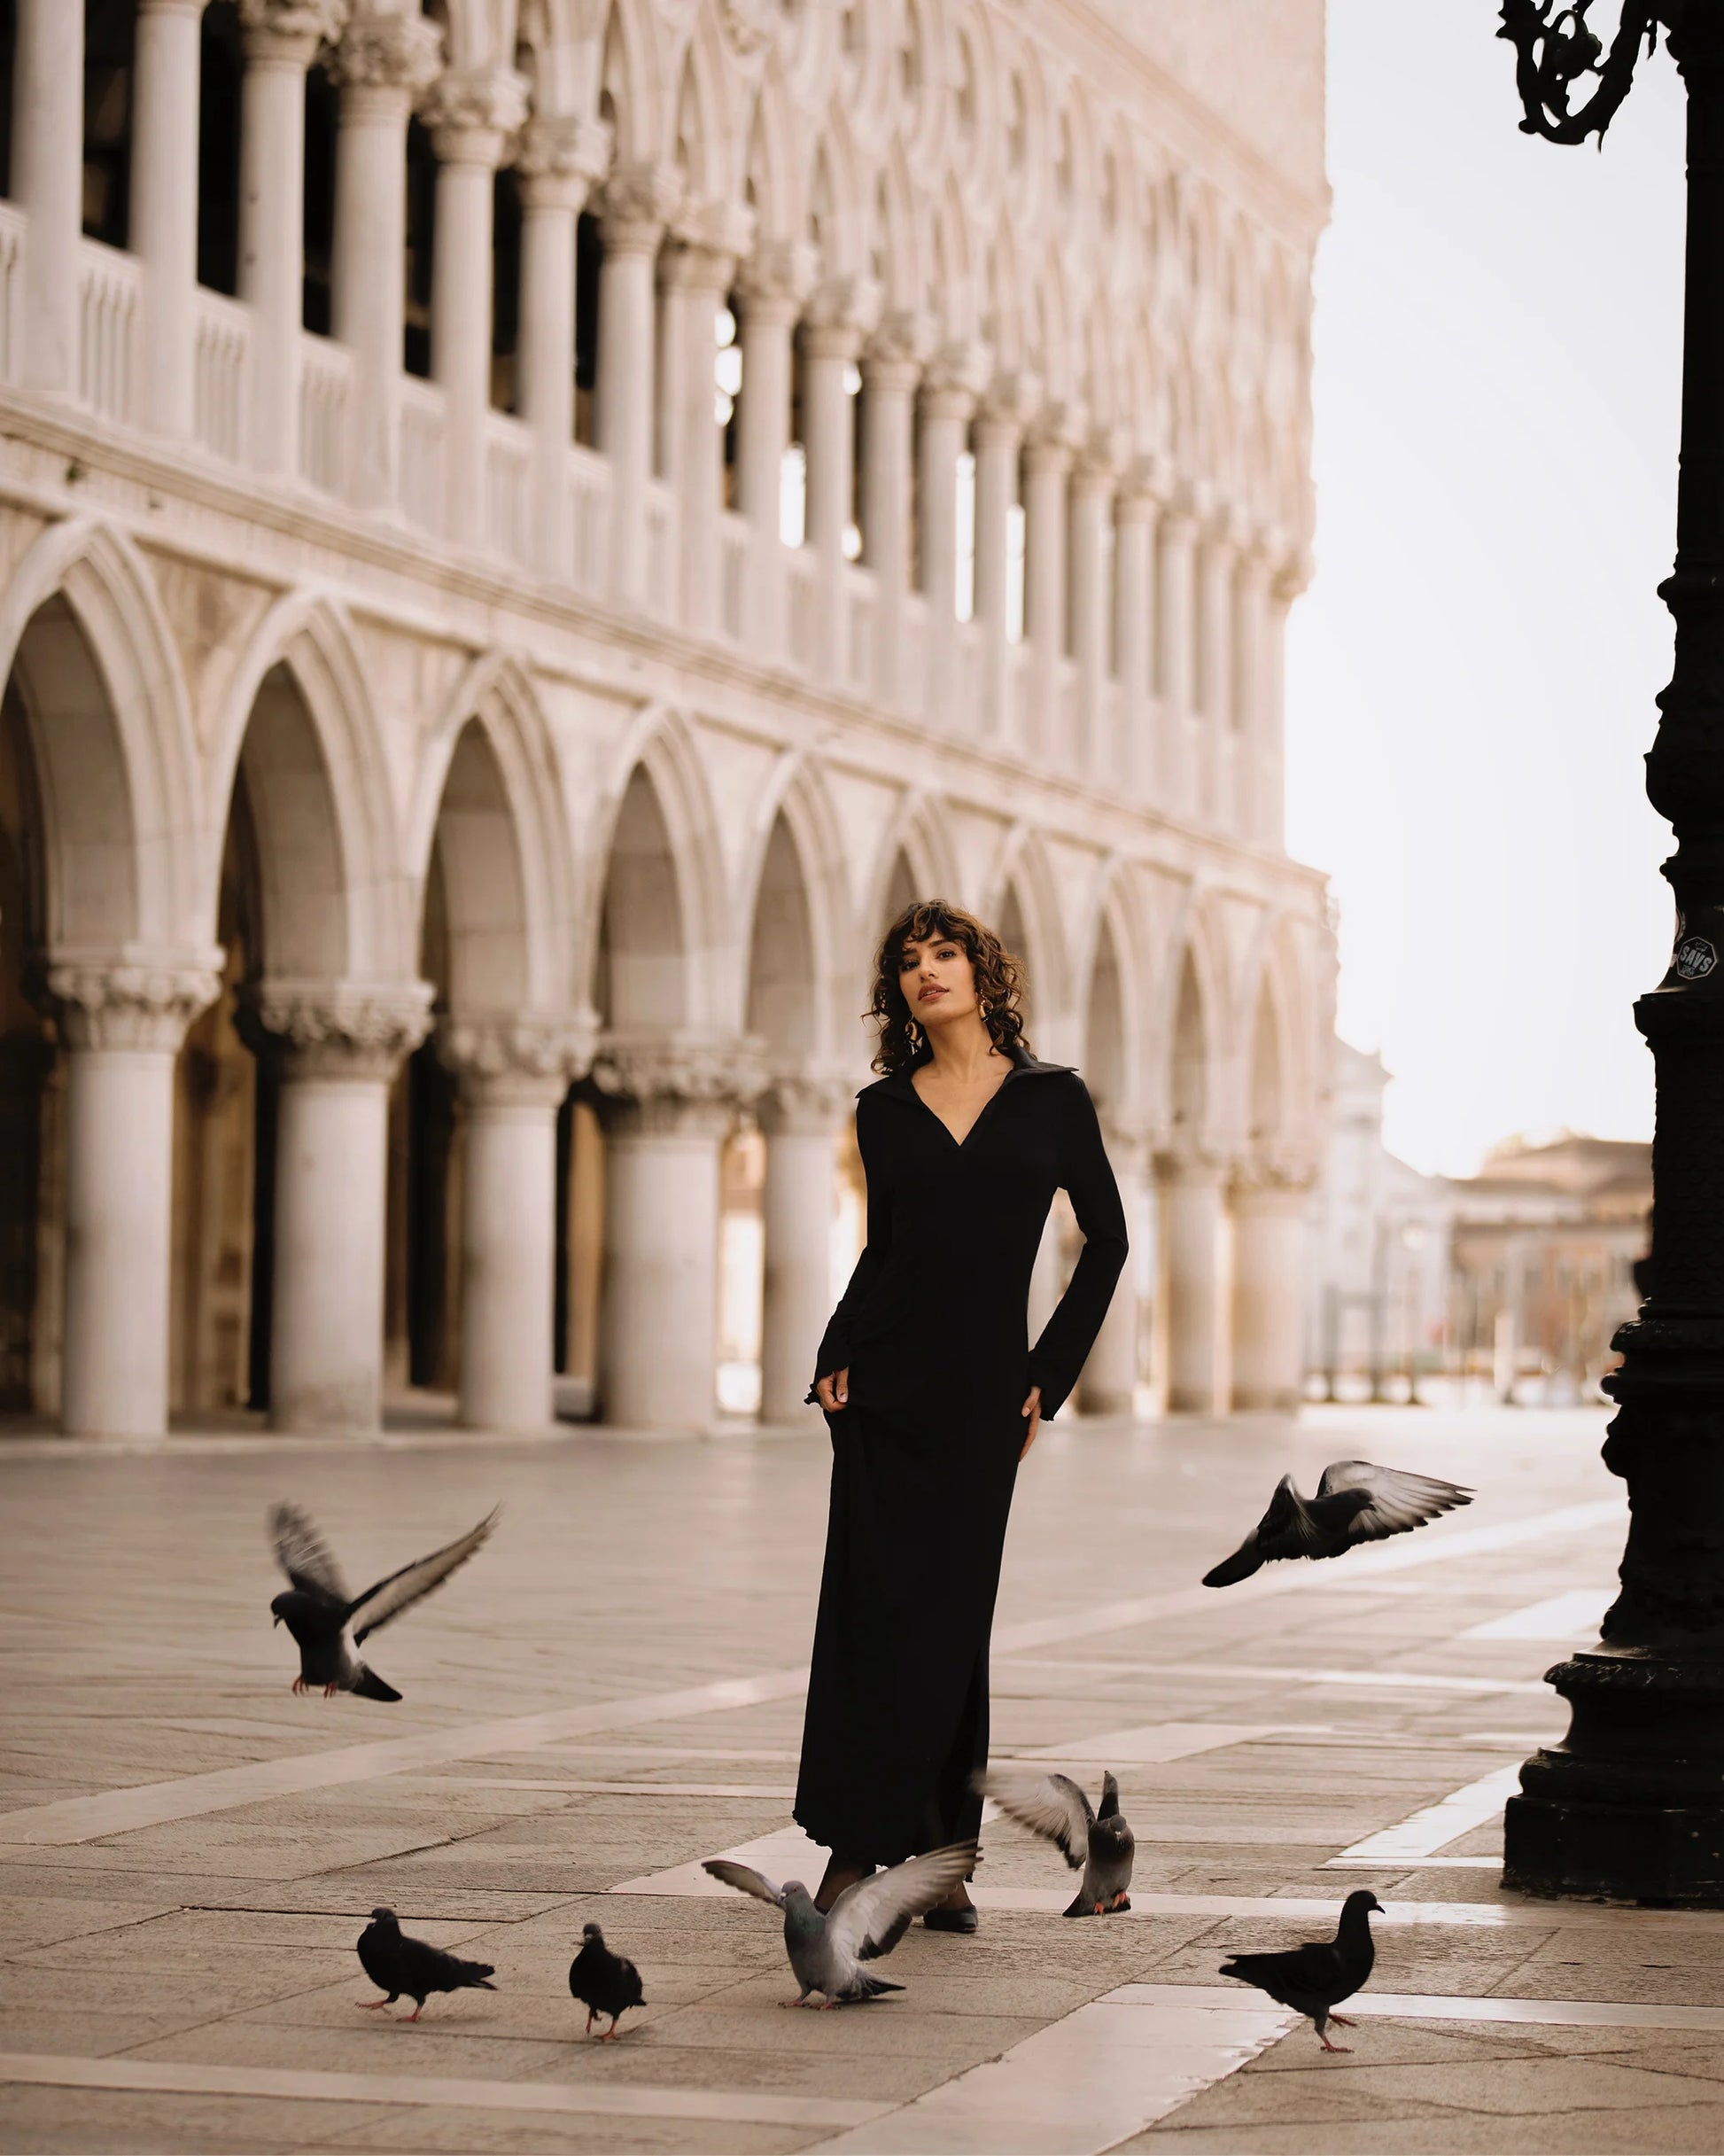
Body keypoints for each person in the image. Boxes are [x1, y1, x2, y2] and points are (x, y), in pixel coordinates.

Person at [796, 899, 1128, 1929]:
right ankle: (923, 1858)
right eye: (907, 962)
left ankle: (884, 1854)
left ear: (984, 973)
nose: (926, 971)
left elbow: (1106, 1243)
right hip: (883, 1389)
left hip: (985, 1393)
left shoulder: (1050, 1099)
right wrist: (835, 1345)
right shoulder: (883, 1109)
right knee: (874, 1612)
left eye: (944, 954)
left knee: (947, 1614)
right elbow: (881, 1252)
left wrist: (1048, 1372)